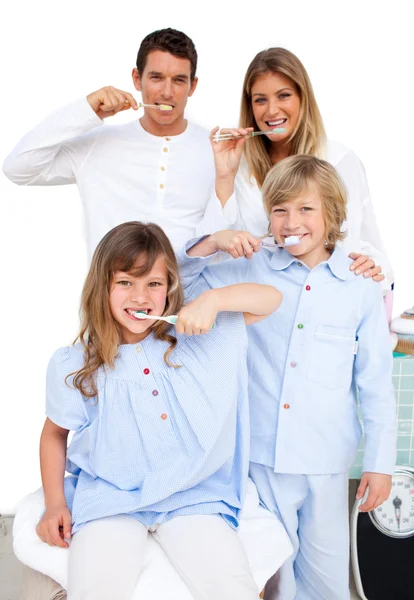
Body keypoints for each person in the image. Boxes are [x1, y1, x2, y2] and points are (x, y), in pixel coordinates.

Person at [177, 155, 397, 600]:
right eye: (280, 210)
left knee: (326, 581)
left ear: (333, 215)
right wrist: (213, 242)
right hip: (261, 459)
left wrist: (380, 462)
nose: (291, 221)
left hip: (326, 461)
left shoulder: (360, 289)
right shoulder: (254, 267)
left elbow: (374, 384)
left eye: (305, 209)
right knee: (273, 577)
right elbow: (183, 282)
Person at [35, 220, 282, 600]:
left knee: (232, 588)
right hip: (111, 499)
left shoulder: (194, 337)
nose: (140, 296)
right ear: (102, 287)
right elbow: (55, 434)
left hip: (192, 496)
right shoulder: (74, 363)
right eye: (125, 283)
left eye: (153, 283)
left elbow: (270, 299)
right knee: (95, 589)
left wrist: (214, 300)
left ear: (170, 287)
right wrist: (54, 504)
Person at [2, 28, 215, 257]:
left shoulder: (217, 148)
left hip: (193, 291)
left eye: (179, 80)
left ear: (192, 86)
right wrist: (87, 110)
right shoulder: (98, 144)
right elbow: (18, 168)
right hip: (109, 289)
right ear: (137, 79)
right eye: (156, 77)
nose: (167, 92)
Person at [199, 47, 393, 290]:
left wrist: (373, 267)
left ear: (303, 98)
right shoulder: (237, 164)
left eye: (284, 95)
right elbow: (211, 256)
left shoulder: (338, 160)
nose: (271, 111)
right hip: (255, 310)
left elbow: (358, 244)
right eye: (260, 100)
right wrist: (225, 177)